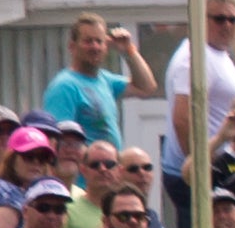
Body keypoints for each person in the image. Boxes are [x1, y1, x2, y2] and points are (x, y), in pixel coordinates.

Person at [162, 0, 235, 228]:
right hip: (195, 175)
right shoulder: (193, 58)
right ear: (200, 19)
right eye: (219, 18)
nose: (227, 25)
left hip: (217, 167)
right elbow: (182, 118)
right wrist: (200, 168)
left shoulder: (217, 54)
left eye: (233, 19)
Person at [42, 13, 159, 146]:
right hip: (87, 166)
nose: (95, 47)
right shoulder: (64, 86)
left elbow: (146, 87)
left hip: (110, 165)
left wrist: (128, 51)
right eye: (88, 41)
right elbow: (57, 141)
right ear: (72, 47)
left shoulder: (105, 80)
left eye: (99, 41)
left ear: (106, 46)